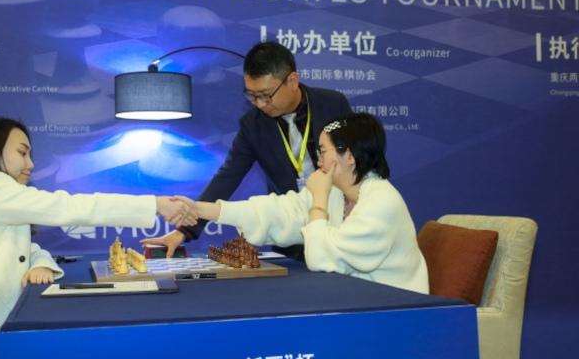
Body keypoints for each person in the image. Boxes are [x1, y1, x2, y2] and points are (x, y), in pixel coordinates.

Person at [0, 116, 197, 340]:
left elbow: (22, 248)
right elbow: (67, 207)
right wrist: (153, 205)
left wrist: (41, 264)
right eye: (22, 153)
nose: (31, 164)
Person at [141, 41, 352, 259]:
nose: (260, 104)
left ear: (292, 81)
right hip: (292, 234)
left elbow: (359, 162)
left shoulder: (332, 105)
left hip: (342, 225)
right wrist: (183, 232)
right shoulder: (253, 125)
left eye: (266, 95)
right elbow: (227, 177)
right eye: (252, 95)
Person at [177, 113, 429, 294]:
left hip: (396, 306)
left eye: (323, 151)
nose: (318, 161)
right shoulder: (336, 192)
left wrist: (319, 199)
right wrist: (201, 209)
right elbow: (278, 211)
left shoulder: (382, 202)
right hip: (355, 297)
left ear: (349, 156)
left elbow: (323, 257)